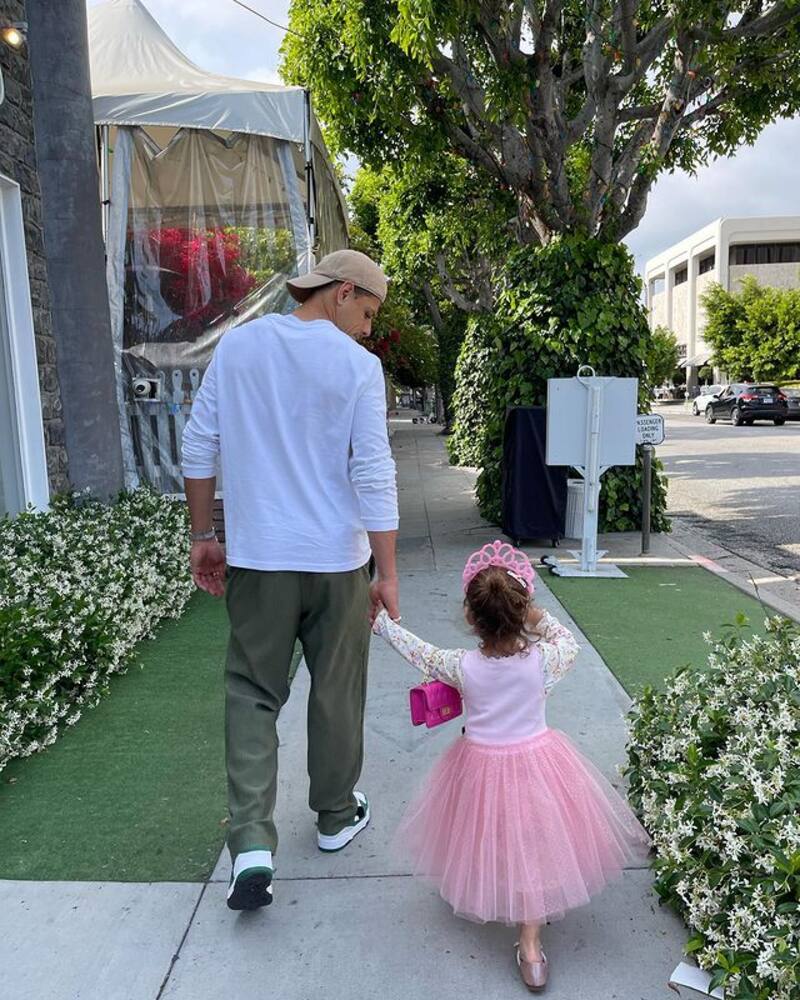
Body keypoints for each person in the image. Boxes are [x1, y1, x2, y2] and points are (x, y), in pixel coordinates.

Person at [181, 249, 399, 912]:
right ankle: (334, 816)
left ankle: (250, 842)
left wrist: (202, 536)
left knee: (251, 693)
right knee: (336, 688)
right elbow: (373, 472)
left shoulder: (240, 348)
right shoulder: (359, 368)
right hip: (337, 563)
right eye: (366, 312)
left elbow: (198, 445)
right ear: (339, 292)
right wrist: (386, 572)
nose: (367, 329)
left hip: (259, 560)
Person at [372, 540, 649, 992]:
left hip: (477, 765)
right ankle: (532, 946)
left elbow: (418, 652)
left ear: (469, 617)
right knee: (535, 846)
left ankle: (483, 889)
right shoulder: (543, 661)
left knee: (480, 833)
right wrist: (532, 615)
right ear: (522, 609)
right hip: (539, 764)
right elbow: (567, 640)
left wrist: (385, 623)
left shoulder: (460, 665)